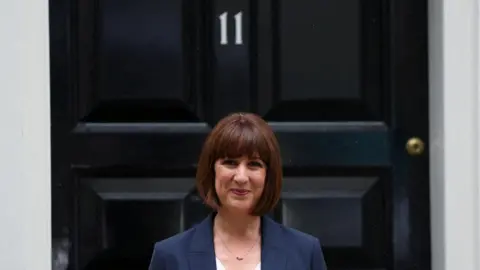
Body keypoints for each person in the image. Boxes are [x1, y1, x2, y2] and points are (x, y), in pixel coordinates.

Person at [148, 112, 327, 270]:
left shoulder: (305, 253)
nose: (241, 177)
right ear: (212, 170)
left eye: (254, 164)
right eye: (230, 163)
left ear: (268, 176)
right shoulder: (170, 256)